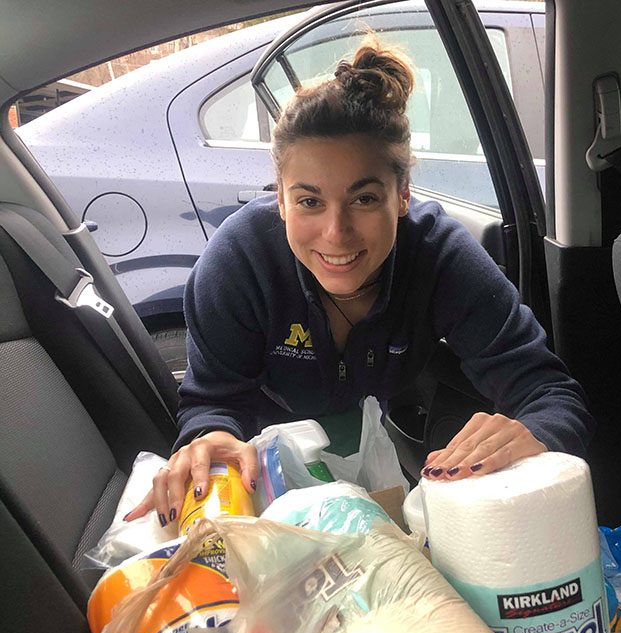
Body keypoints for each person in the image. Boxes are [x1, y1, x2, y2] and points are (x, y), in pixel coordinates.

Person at [127, 38, 593, 528]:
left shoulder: (440, 257)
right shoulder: (239, 260)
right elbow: (212, 401)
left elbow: (551, 392)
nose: (336, 233)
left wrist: (533, 432)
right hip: (262, 477)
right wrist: (210, 438)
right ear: (281, 201)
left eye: (365, 199)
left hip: (379, 455)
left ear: (403, 195)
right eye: (308, 201)